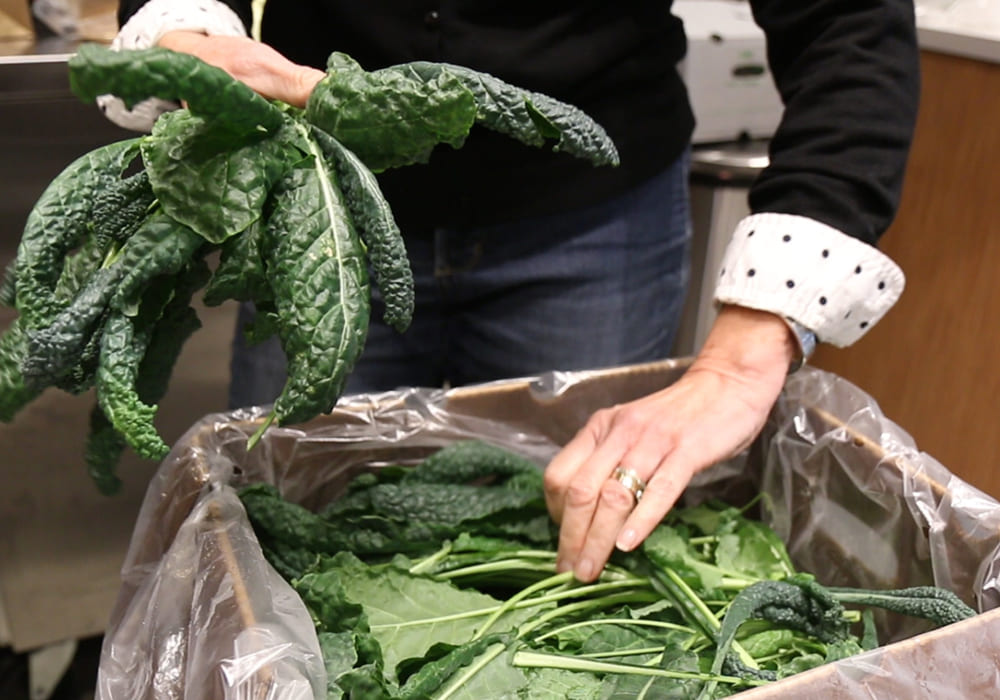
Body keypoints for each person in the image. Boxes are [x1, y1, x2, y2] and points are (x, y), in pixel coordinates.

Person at [104, 0, 920, 584]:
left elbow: (848, 24)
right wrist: (181, 29)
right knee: (285, 535)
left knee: (572, 539)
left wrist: (744, 360)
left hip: (595, 220)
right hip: (324, 213)